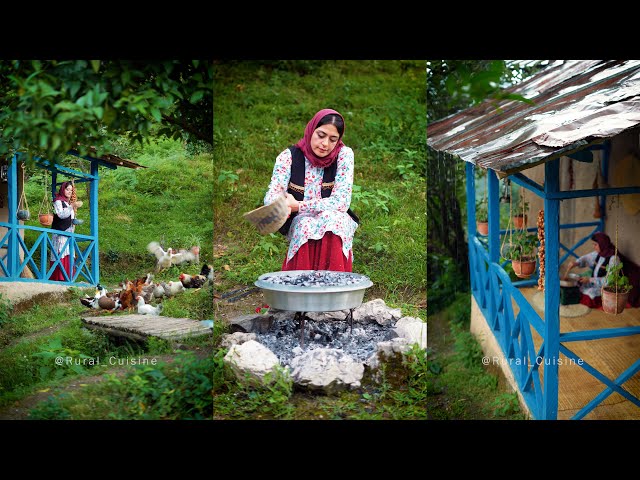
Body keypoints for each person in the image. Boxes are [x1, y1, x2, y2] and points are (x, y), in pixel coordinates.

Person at [264, 108, 358, 272]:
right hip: (301, 218)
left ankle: (335, 289)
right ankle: (301, 288)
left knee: (333, 221)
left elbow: (341, 202)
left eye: (333, 139)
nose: (325, 144)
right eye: (321, 135)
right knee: (305, 224)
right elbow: (272, 195)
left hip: (333, 213)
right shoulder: (289, 157)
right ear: (311, 129)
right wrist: (281, 203)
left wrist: (299, 205)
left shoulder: (344, 155)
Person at [567, 232, 639, 308]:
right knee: (577, 284)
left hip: (606, 287)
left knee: (589, 295)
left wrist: (590, 280)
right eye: (593, 244)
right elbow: (587, 258)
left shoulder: (614, 259)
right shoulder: (599, 253)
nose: (593, 247)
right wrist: (576, 263)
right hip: (595, 283)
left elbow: (610, 281)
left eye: (595, 245)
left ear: (602, 244)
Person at [49, 181, 81, 281]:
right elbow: (61, 215)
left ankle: (68, 277)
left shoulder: (68, 203)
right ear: (63, 189)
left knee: (69, 254)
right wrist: (72, 206)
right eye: (67, 189)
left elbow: (70, 218)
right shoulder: (58, 201)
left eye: (71, 190)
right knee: (60, 254)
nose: (69, 192)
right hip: (59, 233)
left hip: (68, 233)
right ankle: (59, 277)